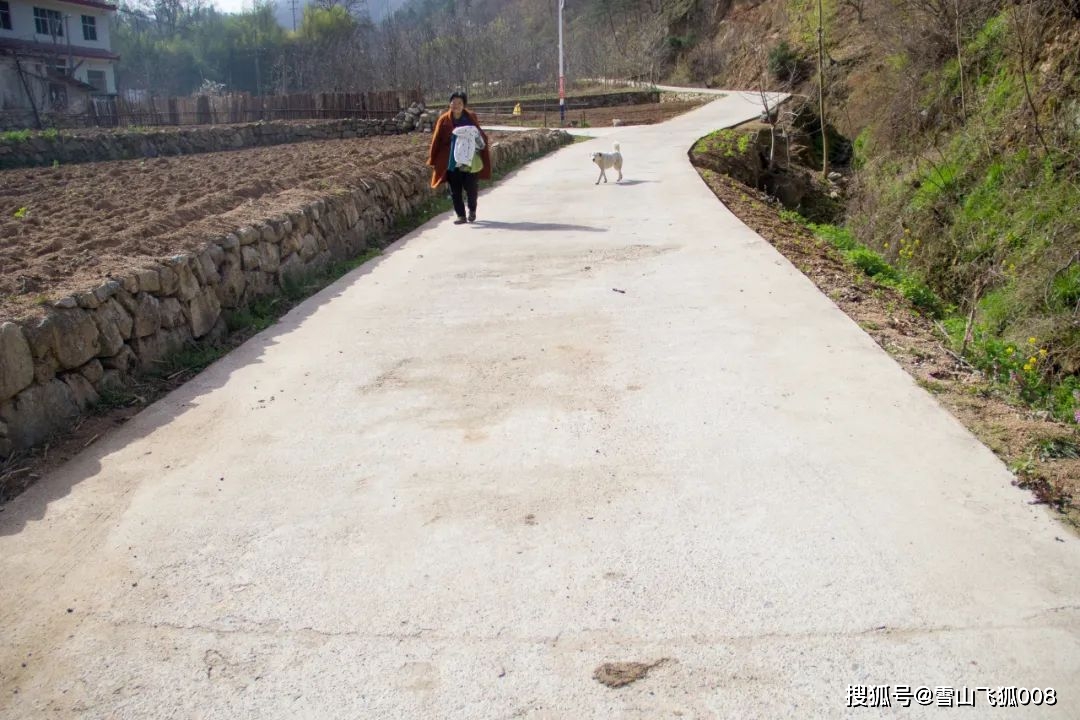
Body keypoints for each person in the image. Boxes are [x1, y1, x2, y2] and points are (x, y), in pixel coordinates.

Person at [426, 91, 492, 224]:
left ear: (464, 105)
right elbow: (436, 140)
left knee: (471, 187)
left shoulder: (471, 117)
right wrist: (433, 159)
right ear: (449, 104)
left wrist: (481, 145)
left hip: (469, 158)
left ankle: (472, 210)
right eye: (453, 102)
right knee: (455, 190)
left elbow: (479, 134)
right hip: (451, 159)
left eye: (459, 103)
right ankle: (461, 215)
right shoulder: (443, 119)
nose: (456, 105)